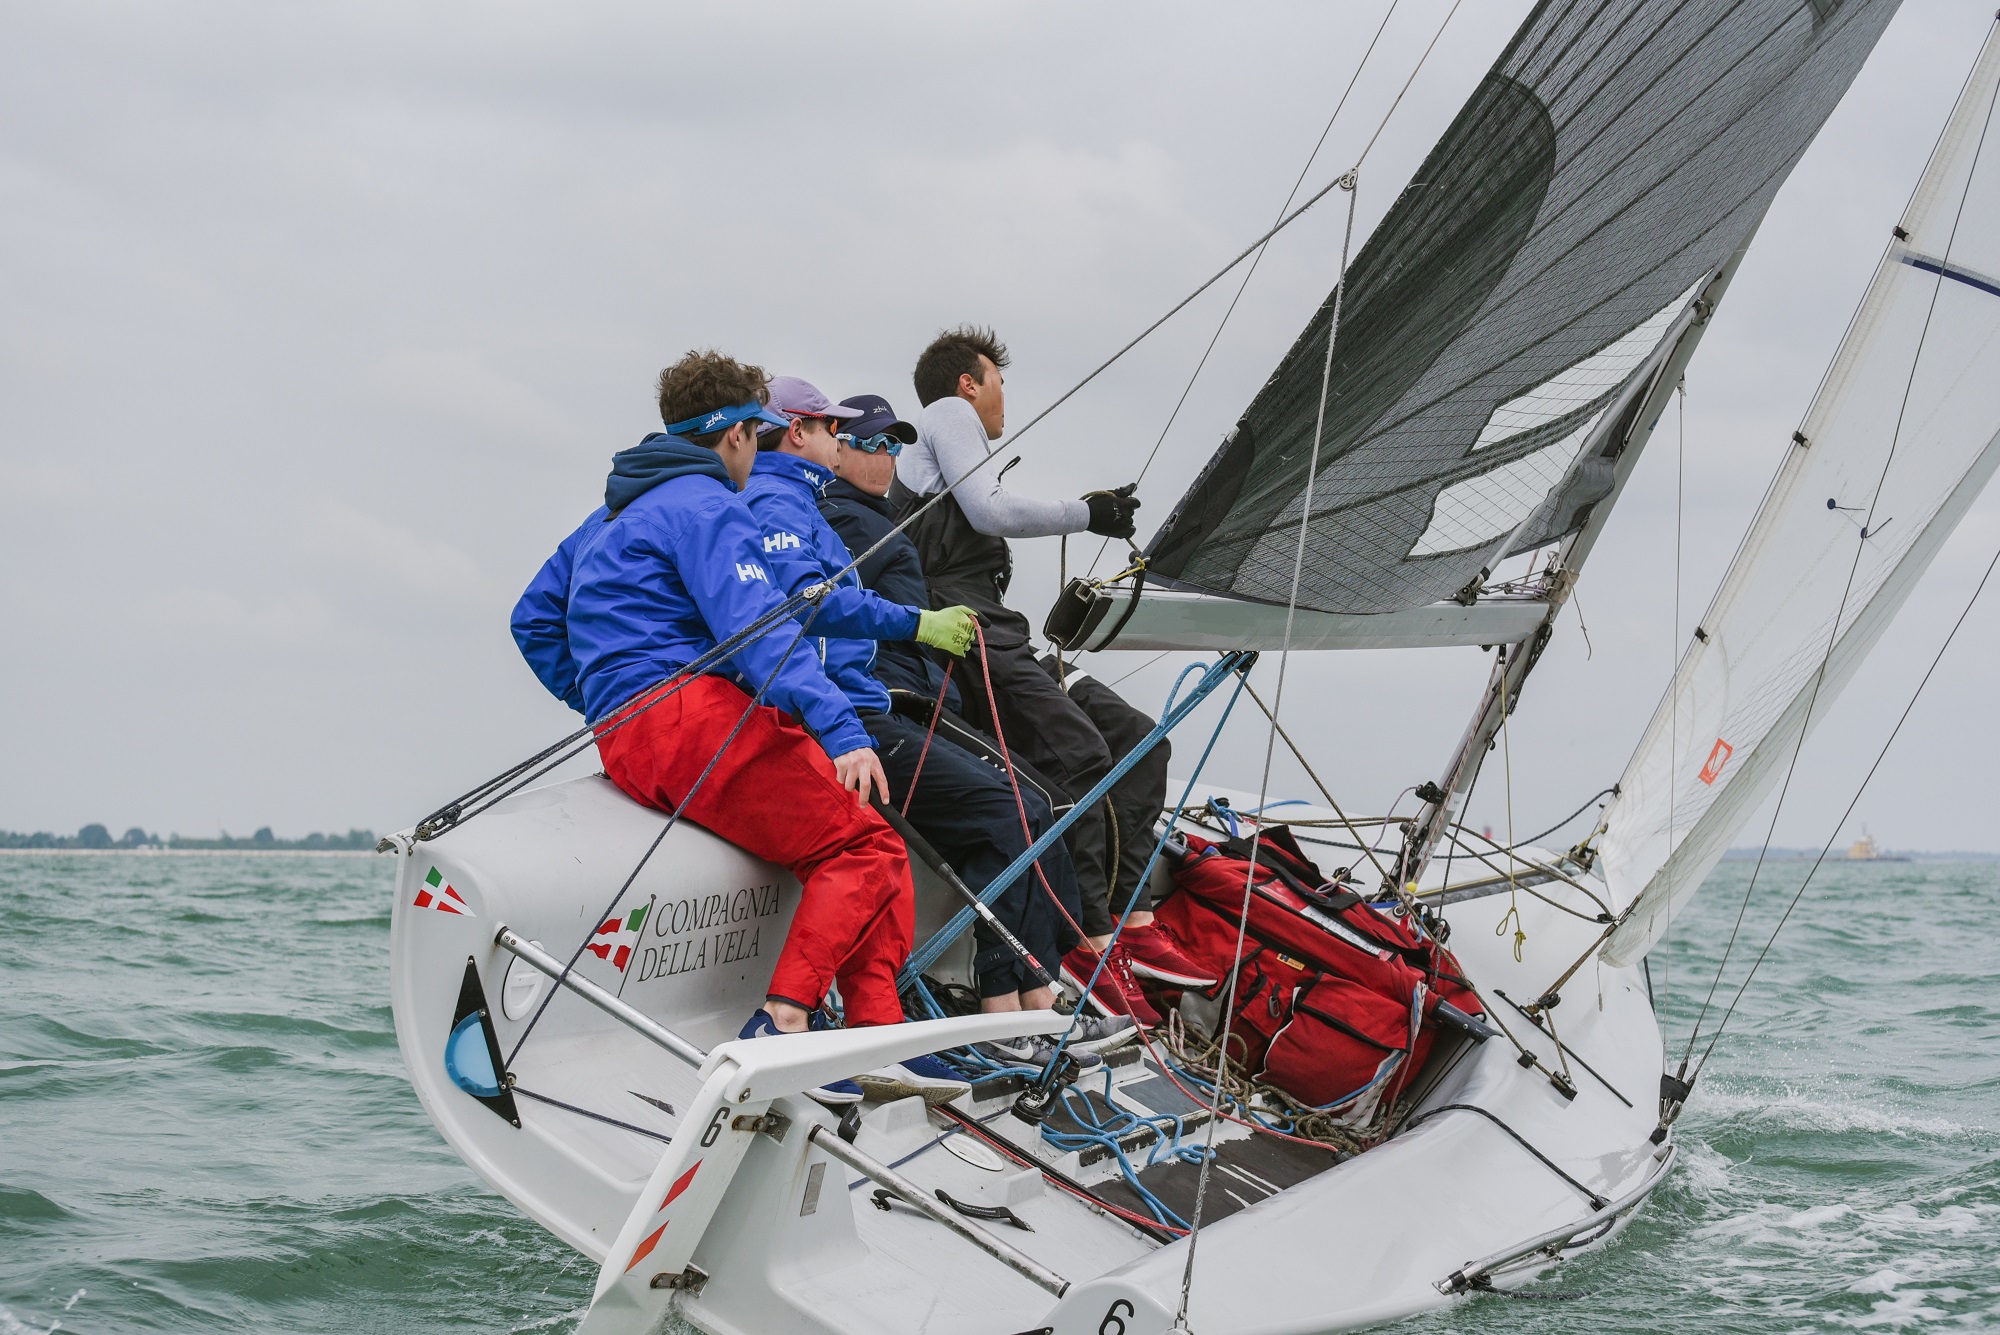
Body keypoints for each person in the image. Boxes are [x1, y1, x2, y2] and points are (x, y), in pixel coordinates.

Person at [509, 350, 939, 1105]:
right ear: (736, 435)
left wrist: (601, 701)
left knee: (874, 839)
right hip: (689, 721)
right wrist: (842, 730)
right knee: (865, 844)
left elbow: (534, 619)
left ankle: (879, 1034)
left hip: (630, 734)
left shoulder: (607, 512)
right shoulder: (707, 505)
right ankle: (781, 1025)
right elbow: (762, 630)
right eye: (760, 434)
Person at [893, 326, 1212, 1026]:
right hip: (971, 640)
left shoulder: (943, 453)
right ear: (968, 384)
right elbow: (988, 511)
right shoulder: (946, 415)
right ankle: (1087, 939)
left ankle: (1130, 925)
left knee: (1138, 741)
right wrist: (1088, 514)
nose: (1005, 398)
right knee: (1079, 754)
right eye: (998, 381)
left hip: (1007, 636)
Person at [818, 392, 1135, 1064]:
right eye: (867, 444)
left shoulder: (882, 518)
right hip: (884, 705)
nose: (884, 458)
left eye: (890, 445)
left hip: (921, 699)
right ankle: (1005, 1011)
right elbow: (827, 611)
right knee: (1015, 807)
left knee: (1038, 805)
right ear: (833, 448)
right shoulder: (843, 522)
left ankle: (1041, 1004)